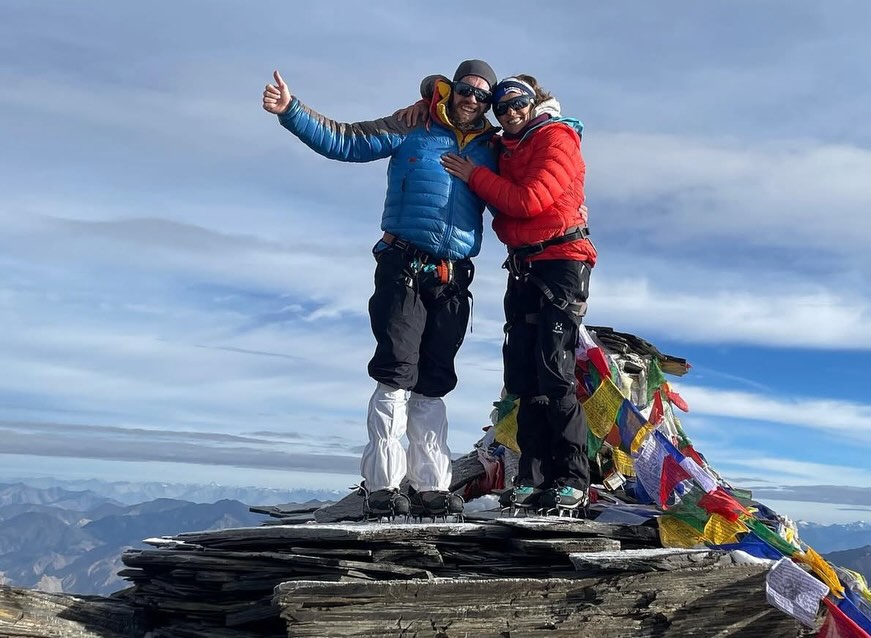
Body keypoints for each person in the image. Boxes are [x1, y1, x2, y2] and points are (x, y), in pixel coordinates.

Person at [262, 60, 499, 521]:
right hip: (403, 265)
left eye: (482, 95)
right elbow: (348, 140)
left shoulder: (495, 147)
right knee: (395, 374)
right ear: (450, 90)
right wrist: (291, 109)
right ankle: (384, 486)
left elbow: (532, 165)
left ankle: (432, 486)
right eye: (466, 89)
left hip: (453, 278)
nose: (473, 99)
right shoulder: (413, 125)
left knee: (434, 381)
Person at [440, 75, 597, 515]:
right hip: (525, 264)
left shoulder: (557, 136)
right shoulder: (508, 146)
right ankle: (532, 479)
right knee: (523, 373)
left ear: (534, 103)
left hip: (562, 260)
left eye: (517, 104)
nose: (509, 112)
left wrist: (476, 176)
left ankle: (572, 479)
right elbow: (447, 103)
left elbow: (529, 201)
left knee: (554, 366)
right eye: (502, 107)